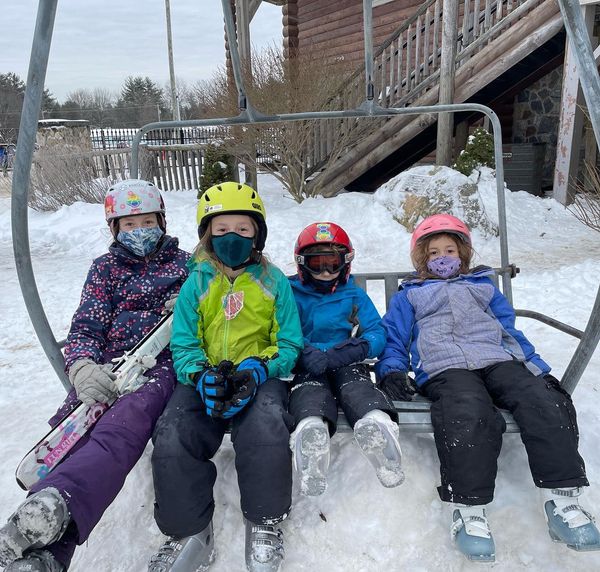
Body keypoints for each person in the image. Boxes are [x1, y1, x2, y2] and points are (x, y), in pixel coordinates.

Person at [376, 213, 600, 562]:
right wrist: (391, 370)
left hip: (496, 357)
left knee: (540, 400)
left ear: (462, 255)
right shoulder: (410, 296)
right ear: (423, 259)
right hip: (444, 364)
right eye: (433, 253)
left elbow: (509, 330)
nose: (442, 258)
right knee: (467, 411)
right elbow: (394, 337)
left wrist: (536, 370)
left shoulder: (482, 287)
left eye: (449, 250)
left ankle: (563, 501)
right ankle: (469, 510)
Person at [0, 179, 189, 572]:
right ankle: (47, 551)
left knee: (120, 428)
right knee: (71, 434)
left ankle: (57, 504)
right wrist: (82, 365)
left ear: (162, 222)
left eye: (147, 222)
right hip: (108, 365)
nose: (139, 231)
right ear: (115, 230)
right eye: (129, 225)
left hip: (158, 366)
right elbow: (87, 326)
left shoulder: (186, 266)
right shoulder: (104, 270)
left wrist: (192, 309)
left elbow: (218, 308)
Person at [148, 182, 303, 572]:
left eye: (243, 229)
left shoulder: (273, 281)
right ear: (207, 235)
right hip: (208, 374)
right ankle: (188, 530)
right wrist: (199, 374)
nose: (231, 237)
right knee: (173, 431)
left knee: (266, 428)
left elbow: (289, 342)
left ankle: (265, 520)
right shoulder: (197, 282)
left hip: (258, 373)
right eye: (221, 230)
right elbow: (183, 343)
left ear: (257, 234)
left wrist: (261, 367)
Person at [288, 222, 404, 497]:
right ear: (303, 264)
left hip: (346, 359)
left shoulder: (353, 294)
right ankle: (311, 431)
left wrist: (360, 348)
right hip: (309, 363)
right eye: (317, 264)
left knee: (357, 385)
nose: (326, 272)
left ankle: (374, 422)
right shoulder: (291, 294)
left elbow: (377, 330)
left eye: (333, 263)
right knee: (309, 390)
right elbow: (282, 328)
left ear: (346, 262)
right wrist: (302, 350)